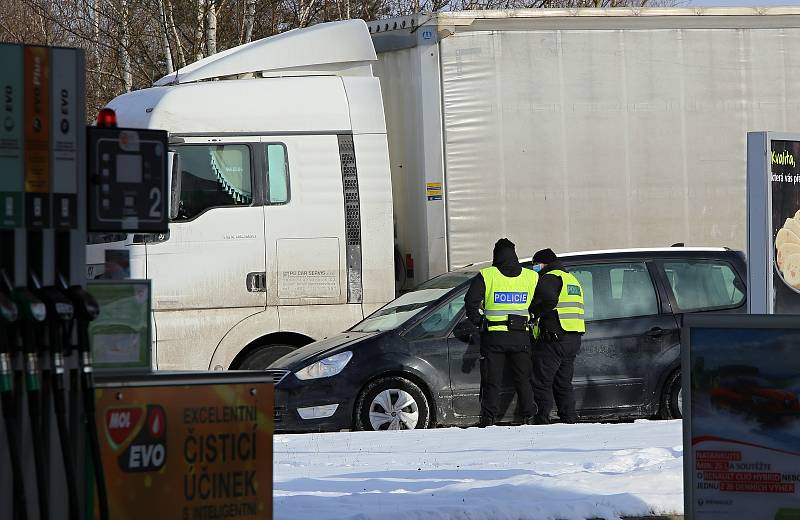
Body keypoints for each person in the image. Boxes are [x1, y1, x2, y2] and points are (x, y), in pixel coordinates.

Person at [465, 238, 539, 427]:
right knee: (523, 379)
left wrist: (478, 321)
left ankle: (489, 419)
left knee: (492, 381)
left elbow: (470, 301)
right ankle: (529, 416)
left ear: (495, 255)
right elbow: (542, 300)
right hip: (521, 336)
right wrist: (533, 316)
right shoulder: (531, 277)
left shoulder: (487, 275)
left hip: (494, 337)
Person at [529, 248, 585, 425]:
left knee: (541, 381)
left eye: (536, 264)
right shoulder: (571, 279)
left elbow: (549, 301)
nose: (535, 268)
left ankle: (541, 418)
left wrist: (533, 312)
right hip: (573, 337)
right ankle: (569, 418)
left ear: (543, 263)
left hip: (554, 336)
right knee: (563, 382)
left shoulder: (549, 277)